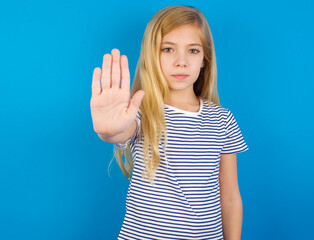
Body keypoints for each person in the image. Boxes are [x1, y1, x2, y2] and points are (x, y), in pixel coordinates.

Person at [90, 5, 249, 240]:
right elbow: (119, 132)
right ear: (152, 55)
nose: (181, 61)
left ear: (205, 58)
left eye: (193, 51)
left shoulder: (222, 119)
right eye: (168, 49)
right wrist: (109, 131)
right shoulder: (140, 113)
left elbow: (230, 196)